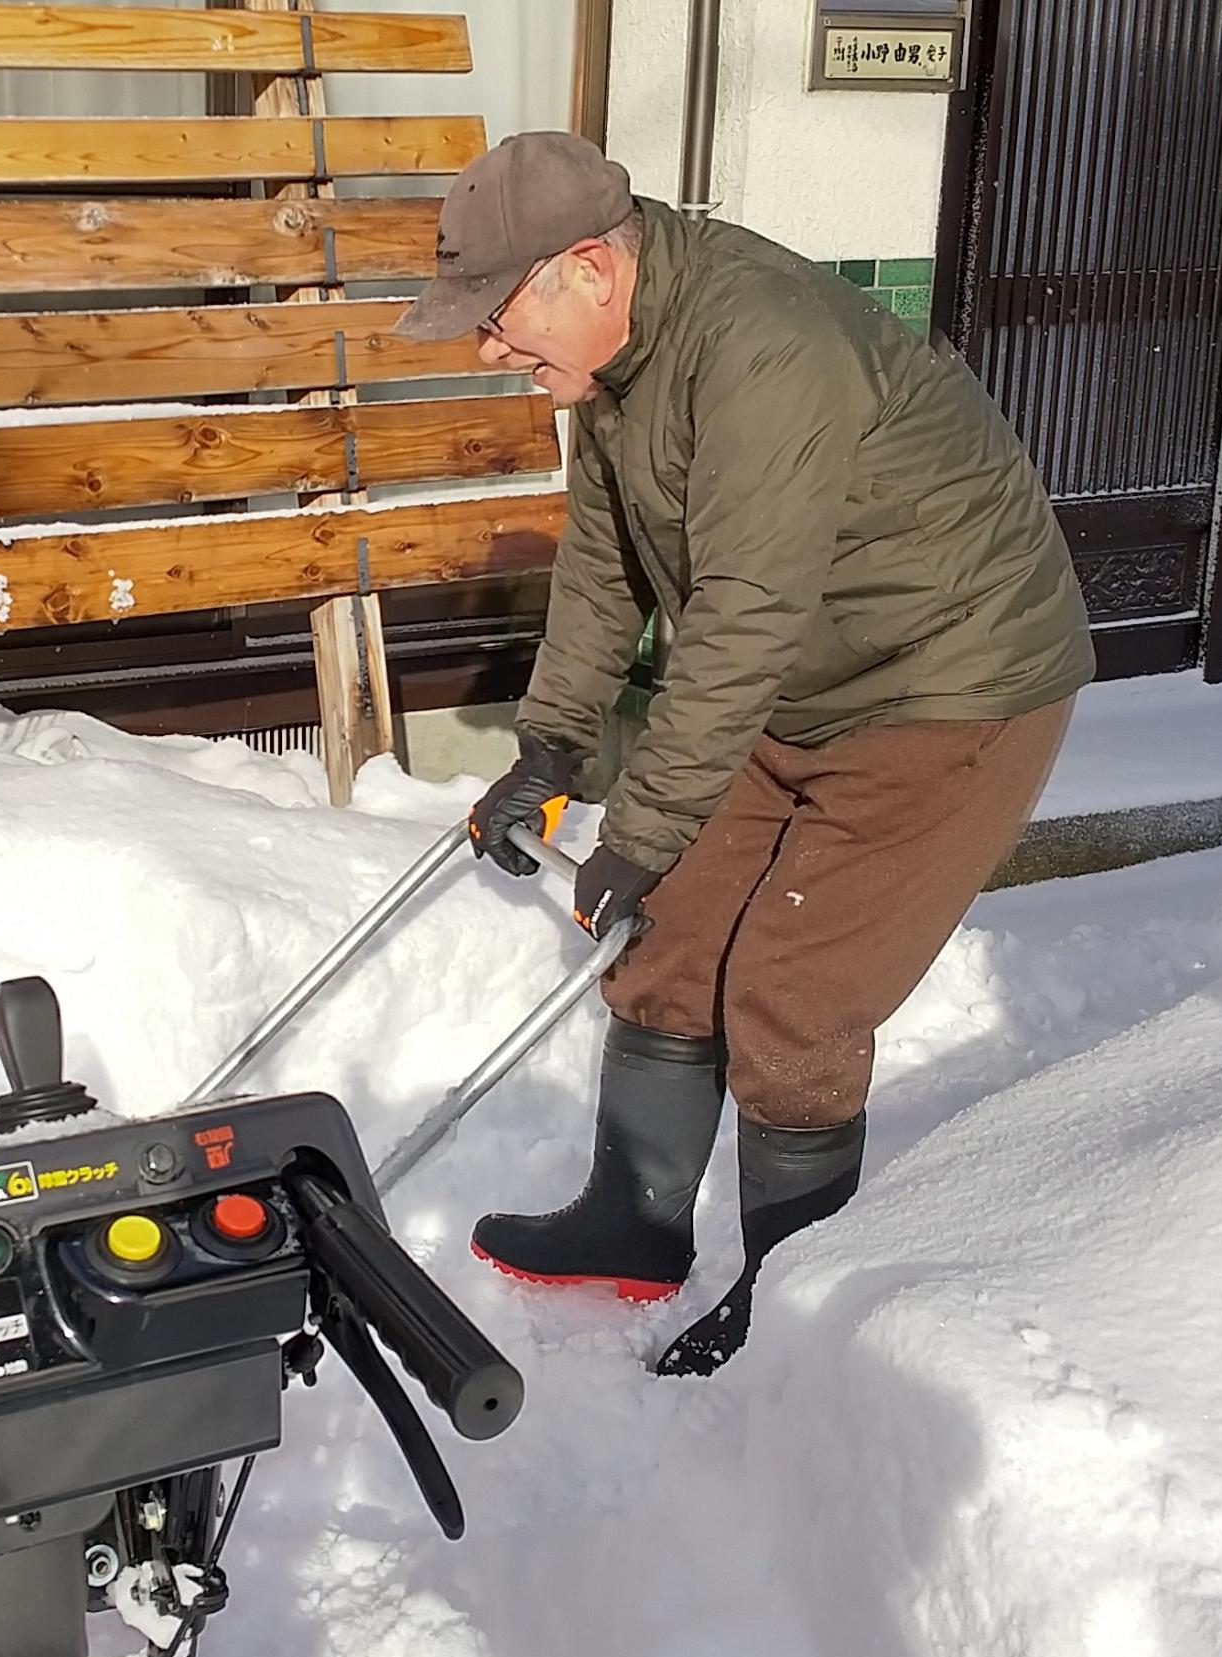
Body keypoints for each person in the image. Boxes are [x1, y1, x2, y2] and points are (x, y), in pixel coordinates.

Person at [396, 133, 1092, 1376]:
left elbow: (741, 617)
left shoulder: (762, 352)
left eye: (496, 315)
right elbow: (607, 571)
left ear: (590, 268)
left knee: (795, 992)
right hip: (803, 681)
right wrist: (549, 748)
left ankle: (794, 1306)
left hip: (952, 684)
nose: (490, 347)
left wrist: (641, 829)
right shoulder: (617, 369)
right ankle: (634, 1221)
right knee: (668, 942)